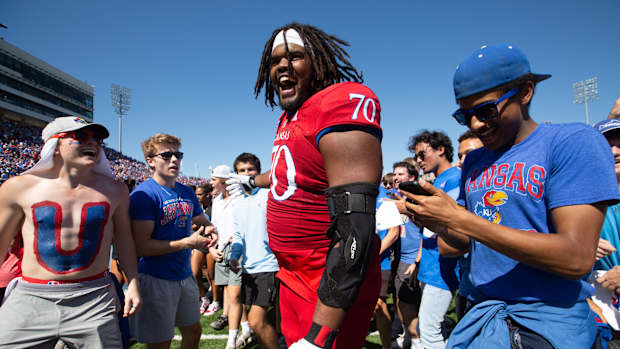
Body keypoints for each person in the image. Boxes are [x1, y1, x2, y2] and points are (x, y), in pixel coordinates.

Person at [401, 44, 619, 348]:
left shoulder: (572, 142)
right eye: (465, 116)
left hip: (547, 325)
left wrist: (461, 218)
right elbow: (465, 241)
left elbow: (576, 257)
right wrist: (438, 219)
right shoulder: (476, 161)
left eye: (486, 110)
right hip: (483, 315)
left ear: (525, 92)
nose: (476, 124)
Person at [227, 23, 383, 348]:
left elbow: (356, 226)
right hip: (292, 275)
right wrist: (251, 180)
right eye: (275, 61)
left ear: (319, 63)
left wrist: (321, 334)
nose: (282, 66)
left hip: (327, 277)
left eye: (295, 56)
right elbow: (288, 173)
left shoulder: (337, 102)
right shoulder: (290, 117)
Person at [0, 116, 141, 348]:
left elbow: (124, 240)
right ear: (54, 145)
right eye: (80, 136)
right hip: (31, 295)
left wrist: (133, 283)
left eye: (97, 139)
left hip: (93, 296)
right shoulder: (18, 188)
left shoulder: (115, 190)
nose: (93, 143)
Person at [130, 133, 216, 349]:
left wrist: (210, 229)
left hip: (184, 274)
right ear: (150, 161)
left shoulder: (186, 192)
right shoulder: (143, 195)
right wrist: (187, 243)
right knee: (161, 342)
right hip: (156, 278)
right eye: (166, 155)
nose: (174, 160)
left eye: (178, 154)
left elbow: (202, 219)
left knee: (194, 331)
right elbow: (142, 246)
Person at [409, 131, 460, 349]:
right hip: (431, 265)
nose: (419, 161)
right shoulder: (438, 181)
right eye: (416, 156)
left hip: (443, 267)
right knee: (426, 329)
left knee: (430, 333)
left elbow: (454, 226)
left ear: (441, 150)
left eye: (422, 154)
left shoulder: (454, 179)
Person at [229, 152, 280, 349]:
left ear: (258, 172)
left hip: (271, 265)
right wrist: (234, 257)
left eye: (250, 170)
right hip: (249, 269)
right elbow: (238, 234)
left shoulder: (270, 195)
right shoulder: (237, 202)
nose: (245, 174)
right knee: (270, 321)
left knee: (256, 321)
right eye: (241, 171)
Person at [390, 161, 423, 349]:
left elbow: (426, 231)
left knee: (408, 303)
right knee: (400, 301)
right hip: (399, 257)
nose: (396, 177)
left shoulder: (417, 200)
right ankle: (408, 336)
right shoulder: (395, 197)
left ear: (412, 177)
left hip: (411, 259)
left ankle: (418, 341)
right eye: (395, 174)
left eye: (400, 174)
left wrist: (417, 259)